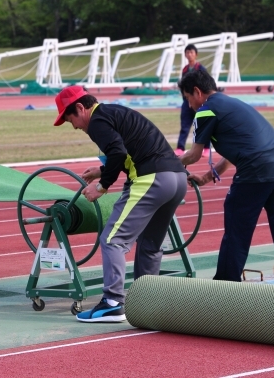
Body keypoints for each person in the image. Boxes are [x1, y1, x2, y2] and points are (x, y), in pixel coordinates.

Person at [54, 85, 187, 322]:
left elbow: (117, 152)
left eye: (70, 119)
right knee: (150, 244)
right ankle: (148, 302)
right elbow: (131, 150)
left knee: (112, 240)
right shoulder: (115, 112)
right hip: (176, 179)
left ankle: (113, 303)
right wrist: (102, 170)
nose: (73, 126)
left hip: (151, 179)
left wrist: (101, 186)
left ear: (80, 108)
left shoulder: (97, 121)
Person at [178, 69, 274, 285]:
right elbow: (232, 155)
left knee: (237, 228)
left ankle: (226, 285)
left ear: (197, 92)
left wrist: (166, 163)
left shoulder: (206, 110)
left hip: (257, 168)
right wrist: (207, 178)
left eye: (188, 98)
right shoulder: (232, 103)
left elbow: (194, 154)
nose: (189, 106)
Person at [175, 44, 211, 158]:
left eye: (191, 52)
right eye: (187, 52)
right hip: (187, 101)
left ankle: (206, 147)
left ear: (196, 54)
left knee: (203, 124)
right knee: (184, 125)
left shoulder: (201, 69)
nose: (189, 54)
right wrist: (186, 98)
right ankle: (180, 148)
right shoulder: (185, 69)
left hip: (199, 101)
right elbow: (183, 86)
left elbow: (205, 84)